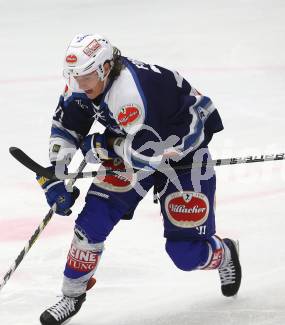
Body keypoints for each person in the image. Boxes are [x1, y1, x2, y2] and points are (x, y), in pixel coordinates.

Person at [36, 33, 242, 325]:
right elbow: (67, 126)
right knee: (91, 223)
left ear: (106, 68)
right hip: (134, 143)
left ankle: (225, 253)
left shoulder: (130, 94)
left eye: (86, 77)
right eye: (74, 76)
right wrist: (57, 171)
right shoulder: (84, 84)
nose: (79, 85)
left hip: (183, 152)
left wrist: (104, 145)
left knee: (185, 254)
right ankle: (72, 295)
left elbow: (149, 153)